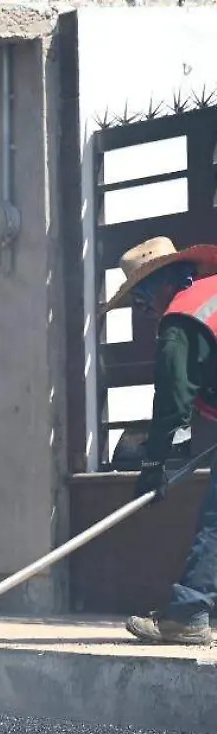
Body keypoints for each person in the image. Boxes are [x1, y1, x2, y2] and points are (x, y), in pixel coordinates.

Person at [105, 238, 217, 646]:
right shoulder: (210, 294)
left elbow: (172, 406)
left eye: (139, 299)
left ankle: (188, 614)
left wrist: (153, 467)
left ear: (158, 285)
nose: (144, 311)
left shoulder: (181, 320)